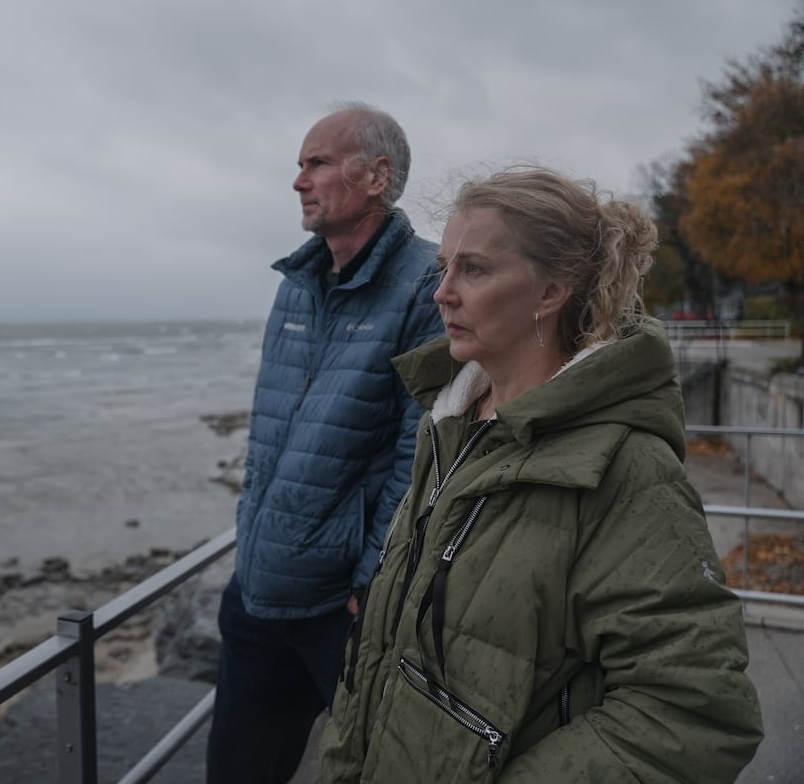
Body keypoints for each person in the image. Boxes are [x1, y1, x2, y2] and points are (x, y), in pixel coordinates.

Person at [318, 167, 763, 783]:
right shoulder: (445, 423)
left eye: (472, 269)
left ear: (552, 291)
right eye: (443, 266)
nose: (441, 292)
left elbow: (695, 711)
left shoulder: (624, 467)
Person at [206, 103, 443, 784]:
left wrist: (371, 577)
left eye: (317, 162)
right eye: (299, 164)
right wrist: (250, 541)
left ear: (377, 176)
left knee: (377, 769)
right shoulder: (296, 287)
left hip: (342, 611)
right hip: (257, 591)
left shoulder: (427, 285)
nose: (298, 180)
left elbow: (418, 451)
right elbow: (268, 436)